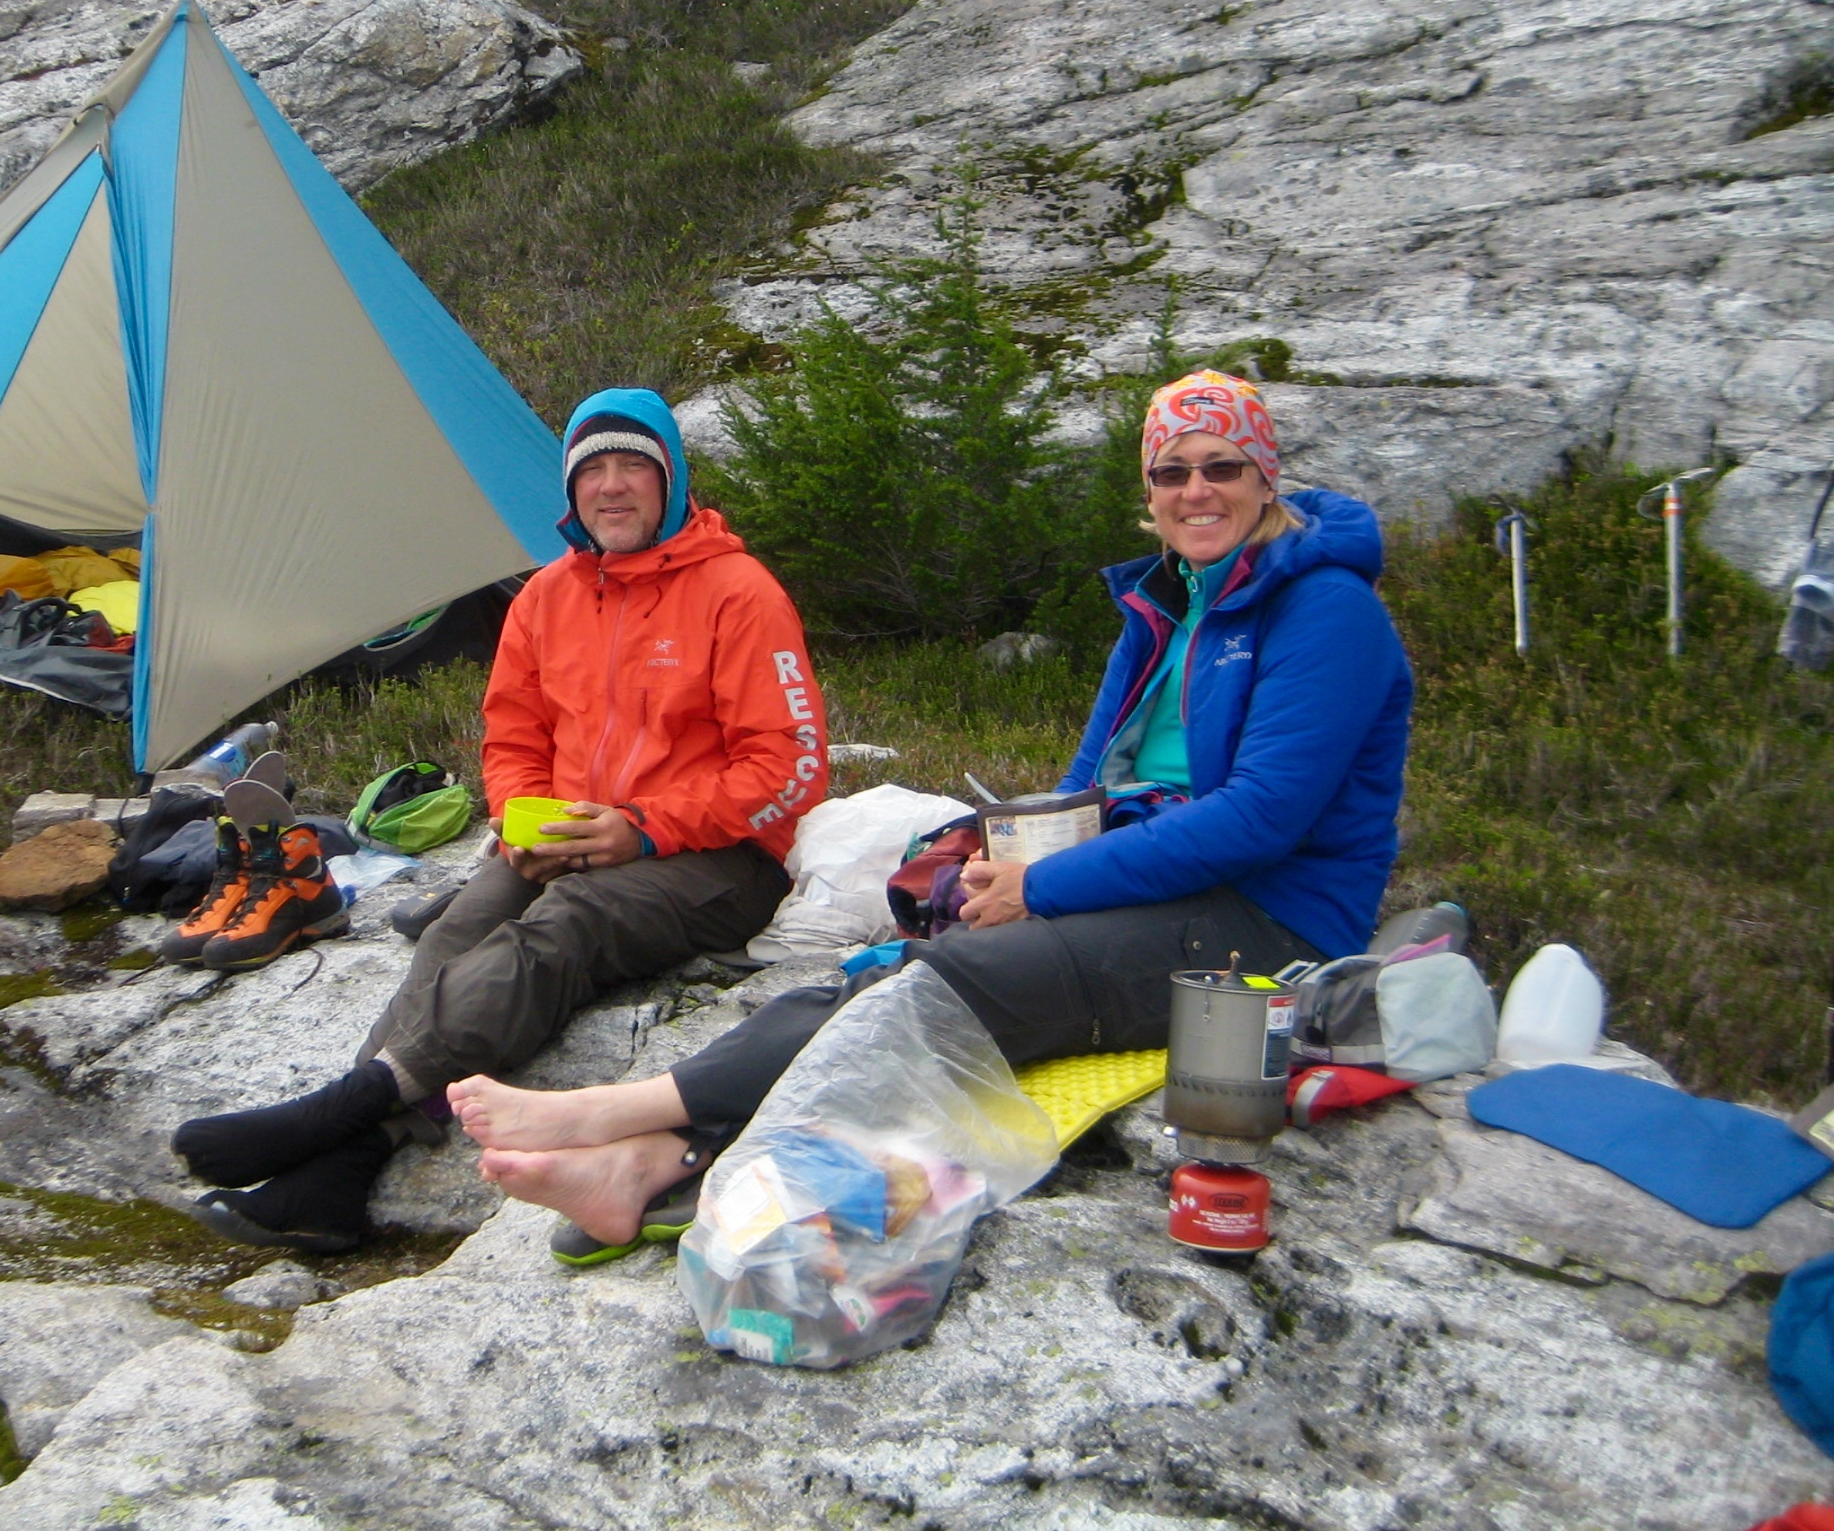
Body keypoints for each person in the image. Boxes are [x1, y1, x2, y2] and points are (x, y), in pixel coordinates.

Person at [456, 369, 1415, 1259]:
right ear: (1150, 490)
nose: (1195, 491)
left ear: (1266, 477)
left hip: (1268, 920)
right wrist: (998, 865)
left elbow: (1260, 820)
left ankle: (617, 1117)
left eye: (1222, 469)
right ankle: (653, 1162)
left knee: (944, 988)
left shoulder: (1326, 610)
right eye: (1172, 471)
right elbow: (1084, 781)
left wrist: (1046, 884)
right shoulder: (1170, 601)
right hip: (1156, 877)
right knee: (891, 965)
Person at [169, 387, 829, 1251]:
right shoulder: (546, 598)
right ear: (570, 492)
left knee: (564, 927)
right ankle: (339, 1174)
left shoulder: (739, 593)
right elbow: (512, 736)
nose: (614, 488)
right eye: (594, 470)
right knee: (458, 930)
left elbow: (790, 770)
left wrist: (643, 827)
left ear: (673, 482)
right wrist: (524, 820)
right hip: (564, 842)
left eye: (636, 466)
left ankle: (347, 1110)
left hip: (718, 858)